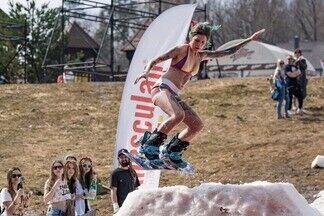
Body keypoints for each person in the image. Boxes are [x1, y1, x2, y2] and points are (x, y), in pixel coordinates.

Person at [134, 22, 265, 169]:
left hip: (173, 94)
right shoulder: (181, 50)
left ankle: (171, 151)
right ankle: (148, 146)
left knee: (197, 125)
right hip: (161, 89)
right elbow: (156, 59)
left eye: (203, 42)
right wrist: (146, 72)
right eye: (196, 40)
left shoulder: (201, 55)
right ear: (191, 38)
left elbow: (228, 52)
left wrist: (250, 39)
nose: (199, 44)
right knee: (178, 115)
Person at [110, 149, 140, 214]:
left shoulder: (133, 172)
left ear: (129, 158)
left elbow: (136, 189)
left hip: (132, 206)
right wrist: (115, 205)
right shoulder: (115, 173)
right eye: (121, 157)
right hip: (122, 207)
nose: (124, 159)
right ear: (118, 159)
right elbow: (113, 191)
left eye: (125, 157)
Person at [294, 48, 308, 114]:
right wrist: (296, 61)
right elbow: (292, 67)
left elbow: (305, 67)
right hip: (295, 79)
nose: (297, 54)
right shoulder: (293, 60)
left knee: (302, 93)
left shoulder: (303, 60)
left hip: (302, 79)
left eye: (298, 53)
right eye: (296, 53)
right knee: (295, 93)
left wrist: (299, 61)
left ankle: (301, 107)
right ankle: (295, 106)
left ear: (300, 54)